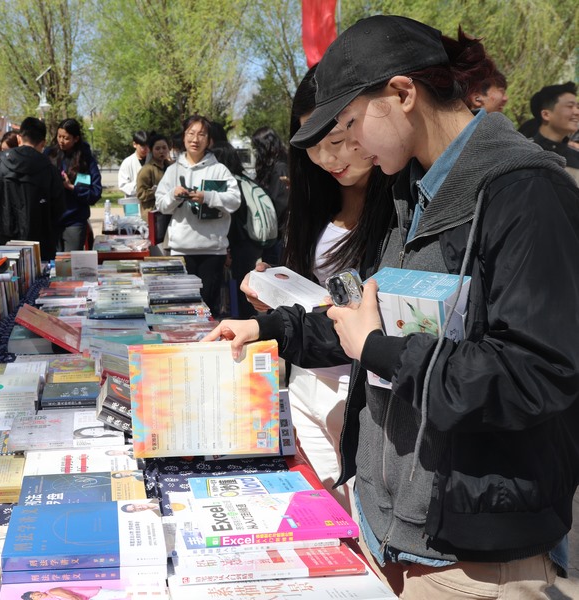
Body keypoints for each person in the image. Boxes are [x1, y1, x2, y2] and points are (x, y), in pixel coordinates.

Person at [205, 16, 579, 597]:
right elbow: (368, 316)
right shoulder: (412, 190)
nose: (351, 148)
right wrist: (270, 329)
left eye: (351, 125)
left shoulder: (525, 194)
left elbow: (537, 373)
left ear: (403, 94)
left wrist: (381, 351)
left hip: (471, 554)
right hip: (391, 530)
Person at [242, 66, 394, 512]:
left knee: (366, 520)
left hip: (360, 389)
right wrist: (274, 292)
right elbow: (309, 288)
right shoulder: (318, 197)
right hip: (307, 378)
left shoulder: (401, 207)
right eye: (313, 145)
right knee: (325, 515)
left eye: (340, 139)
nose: (329, 158)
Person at [154, 115, 240, 316]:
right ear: (184, 137)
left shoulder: (219, 170)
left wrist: (207, 197)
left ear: (209, 140)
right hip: (181, 249)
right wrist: (174, 195)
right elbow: (161, 205)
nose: (195, 139)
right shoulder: (173, 170)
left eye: (201, 134)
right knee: (182, 307)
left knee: (207, 308)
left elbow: (234, 201)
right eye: (191, 133)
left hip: (213, 251)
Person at [0, 117, 64, 260]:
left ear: (18, 138)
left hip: (3, 243)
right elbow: (58, 209)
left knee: (6, 274)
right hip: (39, 246)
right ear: (43, 143)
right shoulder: (50, 169)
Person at [209, 141, 266, 320]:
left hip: (239, 243)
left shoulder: (230, 186)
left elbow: (232, 222)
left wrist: (227, 250)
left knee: (241, 288)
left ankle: (245, 323)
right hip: (252, 242)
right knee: (246, 287)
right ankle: (247, 319)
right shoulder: (246, 180)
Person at [45, 118, 102, 251]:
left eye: (66, 138)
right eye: (59, 136)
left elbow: (95, 193)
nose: (61, 141)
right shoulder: (49, 154)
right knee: (52, 261)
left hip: (74, 221)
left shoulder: (86, 160)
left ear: (76, 139)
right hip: (51, 221)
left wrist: (71, 187)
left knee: (70, 261)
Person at [250, 127, 289, 266]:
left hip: (277, 234)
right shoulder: (273, 167)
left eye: (257, 147)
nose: (255, 152)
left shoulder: (280, 168)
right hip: (274, 233)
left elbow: (280, 202)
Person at [527, 81, 579, 183]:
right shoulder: (523, 152)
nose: (577, 112)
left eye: (577, 107)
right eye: (570, 106)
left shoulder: (576, 159)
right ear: (546, 114)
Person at [135, 132, 172, 245]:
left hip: (169, 214)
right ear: (151, 150)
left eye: (164, 148)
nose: (161, 151)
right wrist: (156, 191)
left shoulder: (171, 167)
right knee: (156, 249)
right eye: (157, 148)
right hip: (152, 217)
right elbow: (140, 194)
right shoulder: (147, 170)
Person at [116, 130, 148, 197]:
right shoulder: (127, 162)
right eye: (142, 146)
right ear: (134, 144)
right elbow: (123, 185)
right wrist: (140, 185)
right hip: (133, 200)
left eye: (147, 146)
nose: (145, 149)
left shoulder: (153, 160)